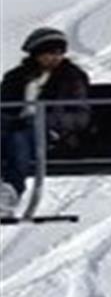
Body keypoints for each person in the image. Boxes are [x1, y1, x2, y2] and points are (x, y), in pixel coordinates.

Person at [1, 27, 91, 212]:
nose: (55, 57)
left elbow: (81, 116)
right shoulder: (15, 78)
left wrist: (47, 120)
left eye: (60, 52)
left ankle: (11, 192)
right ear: (36, 53)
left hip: (53, 135)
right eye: (50, 52)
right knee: (13, 134)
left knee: (20, 135)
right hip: (13, 130)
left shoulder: (71, 78)